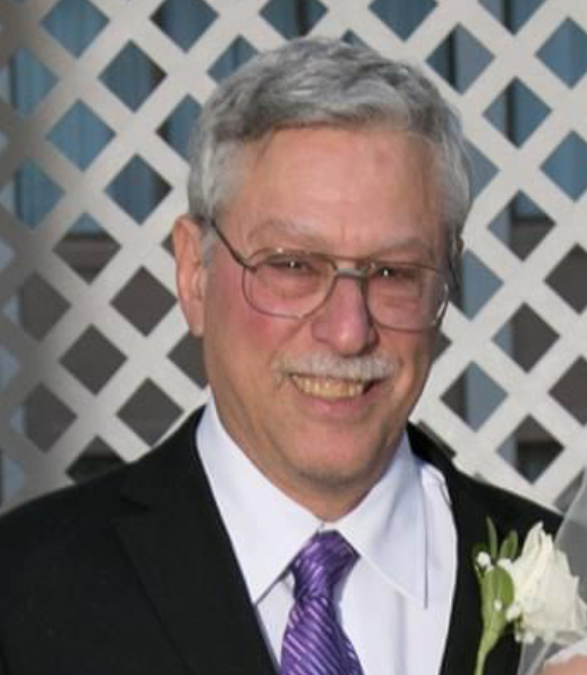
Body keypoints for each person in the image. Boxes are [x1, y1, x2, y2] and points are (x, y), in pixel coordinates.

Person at [0, 38, 560, 675]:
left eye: (394, 273)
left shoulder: (571, 588)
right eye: (293, 266)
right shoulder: (21, 595)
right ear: (194, 275)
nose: (348, 331)